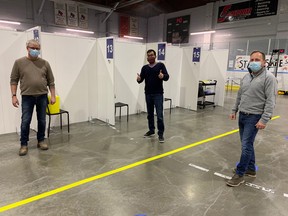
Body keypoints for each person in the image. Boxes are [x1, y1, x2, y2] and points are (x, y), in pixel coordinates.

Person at [226, 50, 277, 187]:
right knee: (246, 144)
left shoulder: (269, 78)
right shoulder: (246, 77)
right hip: (242, 115)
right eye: (252, 59)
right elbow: (239, 95)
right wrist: (234, 110)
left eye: (257, 60)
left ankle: (240, 174)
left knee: (246, 146)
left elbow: (271, 101)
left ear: (264, 62)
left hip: (254, 117)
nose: (254, 62)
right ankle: (251, 169)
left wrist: (264, 119)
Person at [10, 39, 56, 156]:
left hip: (42, 96)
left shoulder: (45, 63)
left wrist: (53, 95)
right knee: (25, 121)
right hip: (27, 97)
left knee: (42, 120)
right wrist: (14, 96)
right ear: (27, 48)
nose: (35, 50)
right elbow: (13, 80)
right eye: (33, 48)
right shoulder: (19, 63)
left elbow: (51, 81)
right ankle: (23, 144)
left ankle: (41, 140)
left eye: (37, 48)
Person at [137, 49, 169, 143]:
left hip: (158, 94)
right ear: (147, 58)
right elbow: (141, 79)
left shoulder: (160, 65)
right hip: (148, 94)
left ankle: (161, 134)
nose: (150, 57)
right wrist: (138, 79)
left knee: (159, 115)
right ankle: (151, 130)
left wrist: (162, 76)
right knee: (150, 114)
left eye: (151, 55)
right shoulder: (145, 68)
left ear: (155, 56)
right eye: (148, 56)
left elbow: (167, 77)